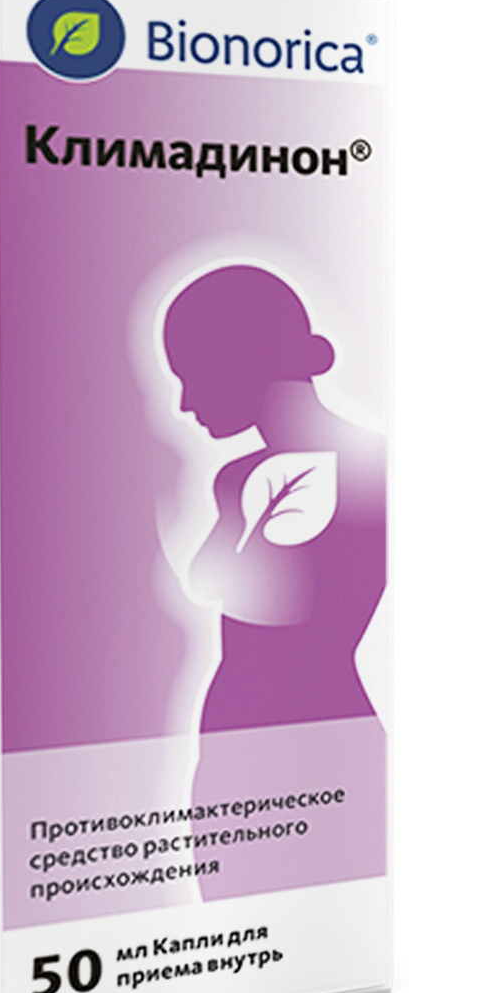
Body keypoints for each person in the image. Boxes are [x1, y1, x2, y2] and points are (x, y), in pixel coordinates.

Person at [162, 265, 386, 735]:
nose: (184, 403)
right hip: (265, 723)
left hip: (295, 722)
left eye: (193, 374)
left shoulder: (374, 472)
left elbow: (205, 582)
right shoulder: (239, 479)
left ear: (240, 361)